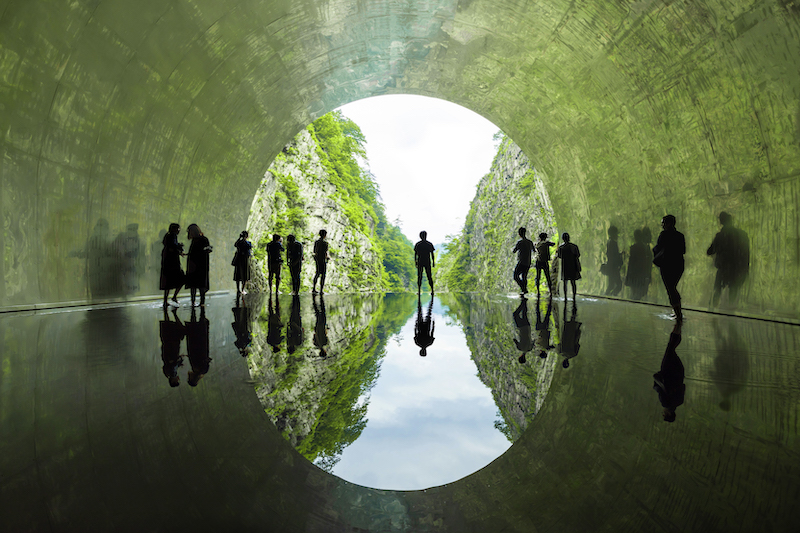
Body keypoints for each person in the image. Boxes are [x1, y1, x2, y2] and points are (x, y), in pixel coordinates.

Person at [707, 212, 750, 308]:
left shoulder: (720, 236)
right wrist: (745, 267)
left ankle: (713, 309)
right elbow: (746, 253)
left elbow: (710, 251)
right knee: (733, 289)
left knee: (717, 289)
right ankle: (731, 309)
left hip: (723, 267)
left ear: (721, 222)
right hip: (736, 268)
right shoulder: (742, 235)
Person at [653, 214, 686, 322]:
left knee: (670, 289)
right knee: (672, 288)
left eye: (663, 223)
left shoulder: (663, 235)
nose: (662, 225)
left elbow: (658, 249)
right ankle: (678, 311)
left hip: (666, 265)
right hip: (678, 265)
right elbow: (683, 250)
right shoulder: (680, 236)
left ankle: (678, 314)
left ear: (668, 224)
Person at [653, 323, 685, 422]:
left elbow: (683, 386)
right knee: (670, 348)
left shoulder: (680, 402)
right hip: (667, 371)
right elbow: (659, 389)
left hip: (679, 371)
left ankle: (678, 328)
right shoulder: (665, 403)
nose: (663, 412)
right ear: (668, 414)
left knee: (671, 349)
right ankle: (678, 324)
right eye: (664, 414)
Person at [185, 223, 212, 307]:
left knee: (200, 284)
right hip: (195, 265)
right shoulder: (196, 240)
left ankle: (201, 301)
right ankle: (194, 301)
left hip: (200, 265)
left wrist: (207, 250)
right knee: (195, 284)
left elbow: (208, 248)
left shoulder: (202, 239)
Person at [160, 223, 184, 307]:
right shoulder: (173, 236)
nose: (179, 231)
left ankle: (165, 300)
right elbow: (174, 246)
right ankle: (174, 296)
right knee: (182, 278)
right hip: (173, 263)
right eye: (178, 229)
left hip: (167, 263)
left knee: (167, 282)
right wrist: (179, 247)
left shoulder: (167, 236)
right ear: (174, 229)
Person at [159, 306, 185, 387]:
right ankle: (166, 310)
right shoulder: (166, 372)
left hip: (173, 346)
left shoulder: (173, 373)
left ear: (174, 381)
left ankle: (174, 313)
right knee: (167, 325)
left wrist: (180, 360)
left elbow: (174, 364)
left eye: (177, 380)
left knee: (181, 331)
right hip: (167, 346)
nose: (178, 379)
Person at [186, 307, 211, 387]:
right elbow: (193, 353)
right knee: (194, 322)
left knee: (201, 322)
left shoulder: (203, 370)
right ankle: (195, 306)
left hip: (201, 342)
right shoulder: (196, 368)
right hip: (195, 342)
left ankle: (201, 306)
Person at [625, 228, 653, 300]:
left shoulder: (636, 248)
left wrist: (628, 276)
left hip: (636, 274)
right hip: (641, 274)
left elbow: (631, 263)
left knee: (635, 293)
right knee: (639, 293)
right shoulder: (645, 248)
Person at [557, 232, 581, 302]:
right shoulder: (574, 246)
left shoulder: (561, 247)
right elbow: (578, 255)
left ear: (563, 239)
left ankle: (565, 297)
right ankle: (574, 296)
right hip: (573, 265)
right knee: (573, 282)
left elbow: (559, 256)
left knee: (565, 282)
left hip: (565, 266)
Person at [512, 227, 535, 294]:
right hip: (528, 262)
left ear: (519, 234)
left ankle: (523, 288)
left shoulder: (520, 242)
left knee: (516, 276)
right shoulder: (530, 242)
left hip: (521, 262)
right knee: (524, 276)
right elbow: (534, 250)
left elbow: (514, 251)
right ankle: (524, 290)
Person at [603, 225, 624, 296]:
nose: (617, 235)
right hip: (613, 267)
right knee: (619, 284)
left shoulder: (609, 242)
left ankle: (607, 296)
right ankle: (612, 296)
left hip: (610, 266)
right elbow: (614, 256)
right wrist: (620, 255)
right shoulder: (613, 243)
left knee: (611, 285)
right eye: (616, 233)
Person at [512, 297, 532, 363]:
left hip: (528, 328)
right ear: (520, 356)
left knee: (524, 314)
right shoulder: (520, 348)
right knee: (515, 314)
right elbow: (514, 340)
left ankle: (524, 301)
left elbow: (533, 341)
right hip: (521, 328)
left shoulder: (530, 348)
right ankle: (523, 302)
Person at [233, 230, 252, 295]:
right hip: (244, 259)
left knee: (238, 274)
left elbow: (236, 244)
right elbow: (249, 247)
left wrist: (240, 238)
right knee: (245, 274)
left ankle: (239, 289)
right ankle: (242, 289)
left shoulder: (240, 242)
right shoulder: (247, 243)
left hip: (239, 259)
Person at [312, 229, 329, 294]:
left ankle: (314, 288)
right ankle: (321, 290)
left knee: (317, 273)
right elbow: (325, 252)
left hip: (317, 259)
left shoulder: (316, 242)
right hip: (322, 260)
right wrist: (327, 258)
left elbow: (314, 251)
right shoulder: (325, 243)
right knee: (323, 275)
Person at [312, 293, 329, 357]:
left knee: (322, 311)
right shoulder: (315, 344)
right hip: (317, 327)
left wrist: (326, 328)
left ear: (324, 351)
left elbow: (325, 333)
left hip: (322, 326)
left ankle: (320, 299)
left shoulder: (325, 342)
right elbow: (314, 335)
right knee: (317, 313)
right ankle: (314, 300)